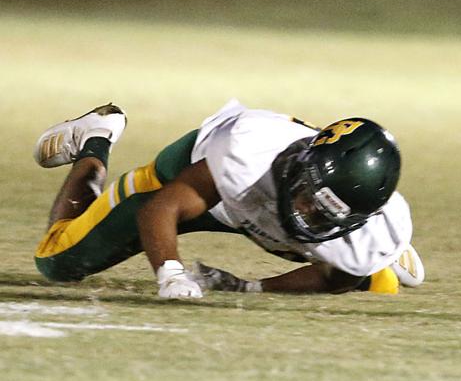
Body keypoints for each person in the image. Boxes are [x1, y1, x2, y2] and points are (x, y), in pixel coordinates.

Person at [32, 101, 424, 299]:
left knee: (362, 272)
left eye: (325, 214)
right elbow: (161, 208)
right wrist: (171, 273)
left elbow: (331, 276)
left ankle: (384, 260)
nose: (308, 211)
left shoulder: (365, 227)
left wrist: (249, 287)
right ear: (302, 165)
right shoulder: (247, 155)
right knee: (58, 263)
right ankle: (95, 137)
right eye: (309, 197)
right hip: (205, 183)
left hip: (268, 204)